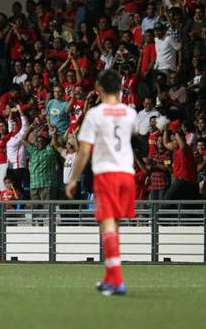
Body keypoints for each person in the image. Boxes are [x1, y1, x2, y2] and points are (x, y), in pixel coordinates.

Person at [65, 69, 137, 296]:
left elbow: (84, 150)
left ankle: (117, 281)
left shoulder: (95, 114)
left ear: (99, 90)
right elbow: (132, 133)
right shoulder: (130, 112)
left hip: (106, 174)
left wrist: (74, 178)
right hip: (127, 173)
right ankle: (109, 278)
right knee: (114, 225)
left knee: (106, 224)